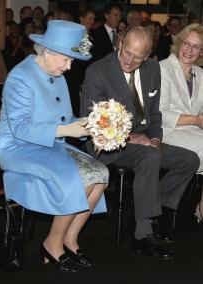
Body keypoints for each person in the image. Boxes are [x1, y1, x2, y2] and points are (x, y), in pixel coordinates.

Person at [0, 20, 108, 273]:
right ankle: (51, 243)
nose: (68, 68)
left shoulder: (55, 73)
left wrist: (90, 125)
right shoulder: (21, 76)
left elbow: (64, 119)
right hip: (16, 146)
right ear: (48, 51)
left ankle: (70, 238)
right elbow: (20, 129)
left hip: (48, 142)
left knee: (101, 174)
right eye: (66, 60)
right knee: (80, 178)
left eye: (71, 62)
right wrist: (67, 130)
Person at [80, 26, 200, 259]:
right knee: (150, 156)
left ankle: (148, 206)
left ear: (147, 55)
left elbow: (155, 114)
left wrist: (154, 137)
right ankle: (142, 234)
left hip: (146, 140)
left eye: (138, 57)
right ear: (120, 44)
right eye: (127, 53)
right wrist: (134, 137)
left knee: (189, 159)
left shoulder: (152, 69)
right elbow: (94, 122)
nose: (130, 60)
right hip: (111, 144)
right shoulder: (98, 71)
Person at [159, 23, 203, 223]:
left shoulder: (200, 74)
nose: (189, 50)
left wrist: (199, 119)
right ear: (179, 42)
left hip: (192, 130)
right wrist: (196, 120)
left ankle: (200, 206)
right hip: (168, 130)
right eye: (187, 43)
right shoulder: (163, 68)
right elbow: (161, 113)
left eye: (196, 47)